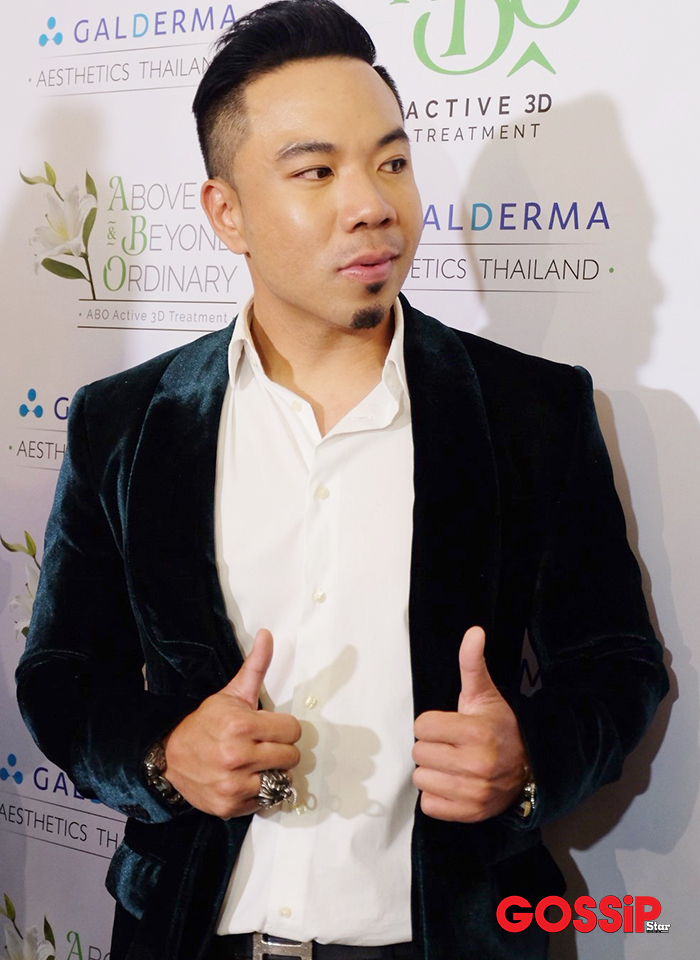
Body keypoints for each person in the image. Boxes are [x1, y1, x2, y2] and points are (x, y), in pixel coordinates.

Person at [16, 2, 668, 959]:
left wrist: (530, 759)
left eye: (392, 162)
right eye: (316, 171)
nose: (372, 204)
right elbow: (62, 675)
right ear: (226, 212)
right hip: (192, 934)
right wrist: (161, 754)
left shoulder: (530, 411)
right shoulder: (126, 421)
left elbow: (617, 663)